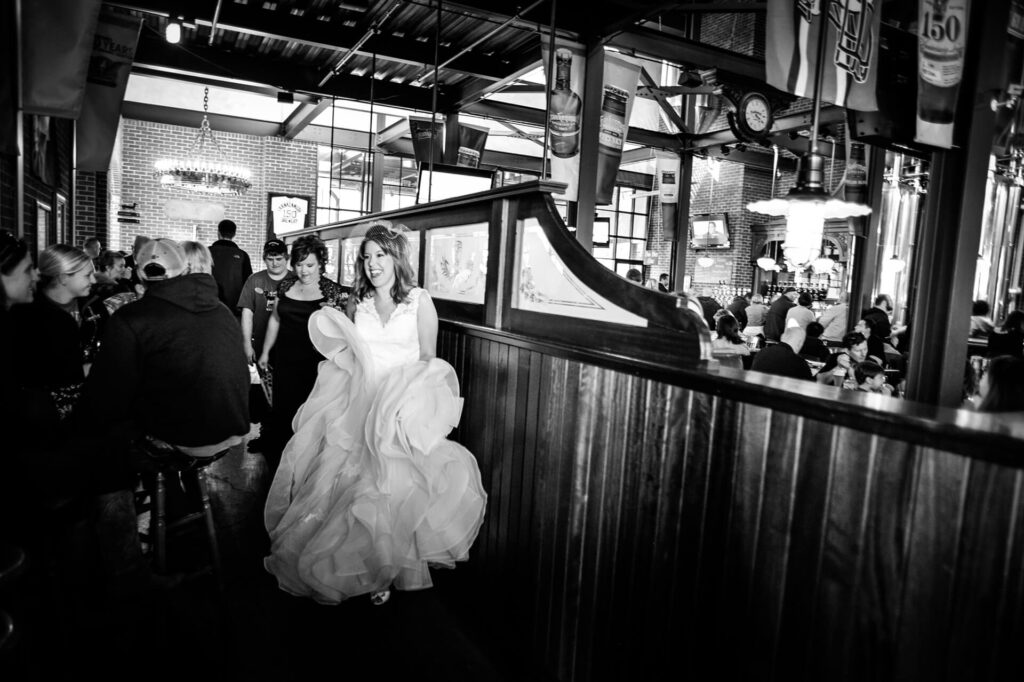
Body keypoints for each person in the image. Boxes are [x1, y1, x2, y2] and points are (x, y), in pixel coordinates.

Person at [264, 221, 487, 605]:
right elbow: (353, 352)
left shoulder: (419, 300)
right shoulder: (358, 302)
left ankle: (389, 565)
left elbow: (429, 360)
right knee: (355, 487)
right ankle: (367, 567)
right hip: (362, 401)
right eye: (366, 257)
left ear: (396, 256)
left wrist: (410, 405)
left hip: (403, 405)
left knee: (393, 489)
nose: (372, 264)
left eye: (380, 255)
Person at [258, 235, 346, 461]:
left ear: (321, 264)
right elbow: (276, 319)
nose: (304, 271)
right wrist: (266, 352)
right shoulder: (285, 285)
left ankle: (306, 465)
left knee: (309, 417)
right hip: (285, 361)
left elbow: (343, 335)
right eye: (298, 264)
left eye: (310, 265)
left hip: (314, 367)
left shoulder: (332, 292)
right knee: (283, 413)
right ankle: (281, 464)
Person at [10, 245, 100, 420]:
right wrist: (85, 369)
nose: (94, 281)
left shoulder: (94, 304)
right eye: (87, 275)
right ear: (63, 278)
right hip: (46, 417)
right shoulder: (27, 314)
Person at [238, 239, 290, 453]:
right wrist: (246, 345)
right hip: (261, 349)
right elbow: (247, 313)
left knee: (286, 394)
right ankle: (267, 435)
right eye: (270, 259)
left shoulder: (296, 280)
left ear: (286, 258)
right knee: (268, 395)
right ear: (264, 259)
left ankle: (286, 436)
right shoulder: (255, 280)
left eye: (279, 259)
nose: (275, 263)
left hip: (288, 349)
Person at [209, 219, 253, 315]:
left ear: (218, 232)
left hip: (207, 305)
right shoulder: (242, 255)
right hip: (234, 310)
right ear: (234, 234)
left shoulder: (206, 252)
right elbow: (249, 283)